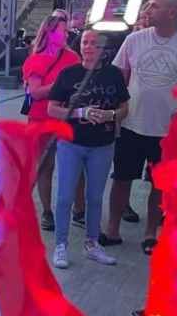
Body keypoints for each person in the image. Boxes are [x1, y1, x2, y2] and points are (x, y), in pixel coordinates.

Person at [101, 0, 177, 254]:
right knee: (121, 179)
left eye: (154, 6)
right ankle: (111, 230)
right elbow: (119, 76)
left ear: (171, 12)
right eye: (147, 4)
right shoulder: (134, 40)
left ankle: (150, 233)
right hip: (132, 124)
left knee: (160, 183)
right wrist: (117, 113)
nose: (147, 8)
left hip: (169, 130)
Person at [47, 28, 128, 269]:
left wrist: (110, 115)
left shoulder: (113, 75)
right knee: (64, 197)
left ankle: (92, 243)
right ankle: (60, 245)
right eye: (85, 42)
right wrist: (80, 112)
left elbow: (125, 108)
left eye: (94, 43)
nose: (88, 46)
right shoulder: (68, 74)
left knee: (95, 197)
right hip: (71, 143)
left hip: (102, 145)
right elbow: (52, 109)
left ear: (103, 49)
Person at [22, 14, 80, 231]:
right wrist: (61, 84)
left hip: (69, 119)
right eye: (63, 30)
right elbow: (36, 93)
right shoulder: (34, 60)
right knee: (44, 168)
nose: (67, 34)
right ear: (49, 32)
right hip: (40, 121)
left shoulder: (73, 57)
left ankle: (78, 209)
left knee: (75, 167)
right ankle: (47, 211)